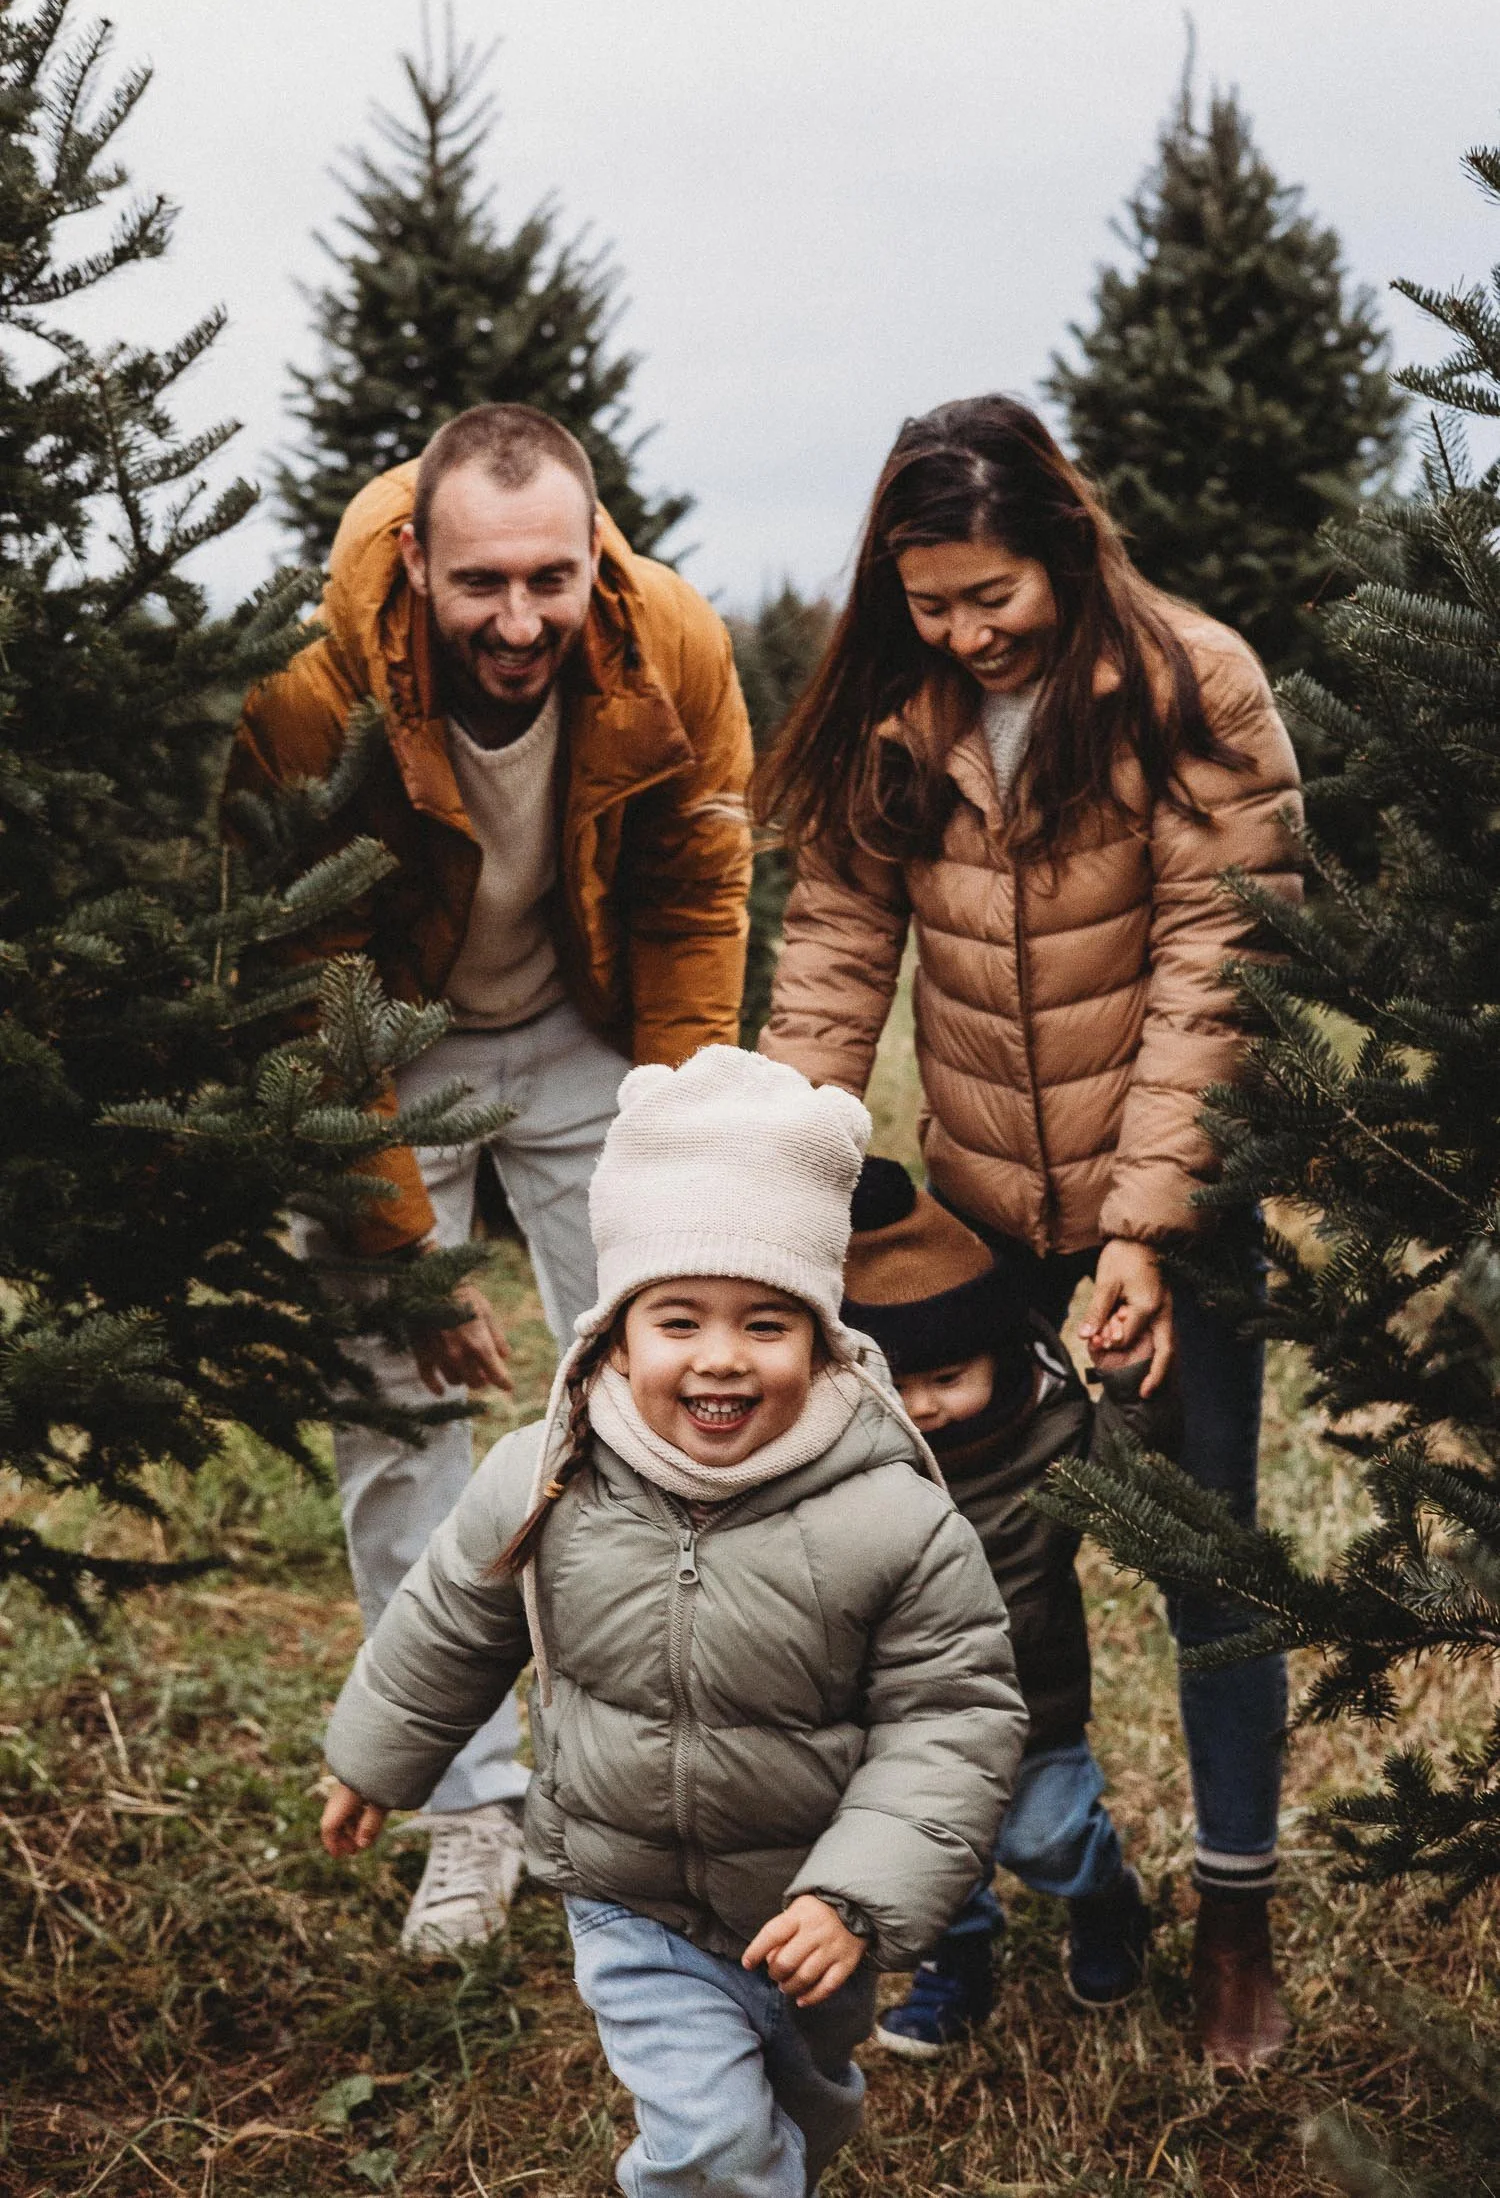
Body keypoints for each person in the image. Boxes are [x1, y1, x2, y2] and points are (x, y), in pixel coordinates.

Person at [756, 393, 1303, 2072]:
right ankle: (989, 1897)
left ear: (1062, 543)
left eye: (993, 594)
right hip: (978, 1218)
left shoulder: (1188, 682)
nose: (968, 630)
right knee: (963, 1579)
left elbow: (1224, 959)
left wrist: (1145, 1229)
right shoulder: (891, 713)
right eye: (932, 602)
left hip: (1179, 1210)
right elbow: (840, 954)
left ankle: (1234, 1918)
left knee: (1207, 1562)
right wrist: (778, 1187)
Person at [319, 1046, 1026, 2198]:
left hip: (808, 1905)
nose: (719, 1358)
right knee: (709, 2144)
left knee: (803, 2106)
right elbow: (451, 1621)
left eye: (766, 1325)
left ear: (824, 1336)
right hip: (626, 1891)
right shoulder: (546, 1478)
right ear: (614, 1332)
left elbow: (953, 1721)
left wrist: (852, 1893)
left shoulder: (892, 1513)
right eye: (679, 1320)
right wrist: (375, 1757)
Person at [227, 404, 753, 1953]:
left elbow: (697, 897)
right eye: (481, 587)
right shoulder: (309, 696)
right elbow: (311, 977)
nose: (519, 621)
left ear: (594, 553)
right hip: (398, 1044)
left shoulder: (674, 648)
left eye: (551, 578)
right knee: (398, 1414)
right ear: (417, 560)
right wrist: (407, 1256)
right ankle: (470, 1806)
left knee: (670, 1379)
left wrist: (677, 1140)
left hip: (592, 1031)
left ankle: (665, 1780)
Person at [841, 1156, 1163, 2057]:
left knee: (1047, 1837)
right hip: (892, 1717)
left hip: (1034, 1704)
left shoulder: (1051, 1431)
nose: (923, 1408)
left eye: (947, 1376)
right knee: (924, 1860)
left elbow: (1127, 1481)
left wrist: (1130, 1388)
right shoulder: (845, 1461)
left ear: (999, 1352)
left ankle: (1105, 1900)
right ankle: (957, 1956)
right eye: (895, 1386)